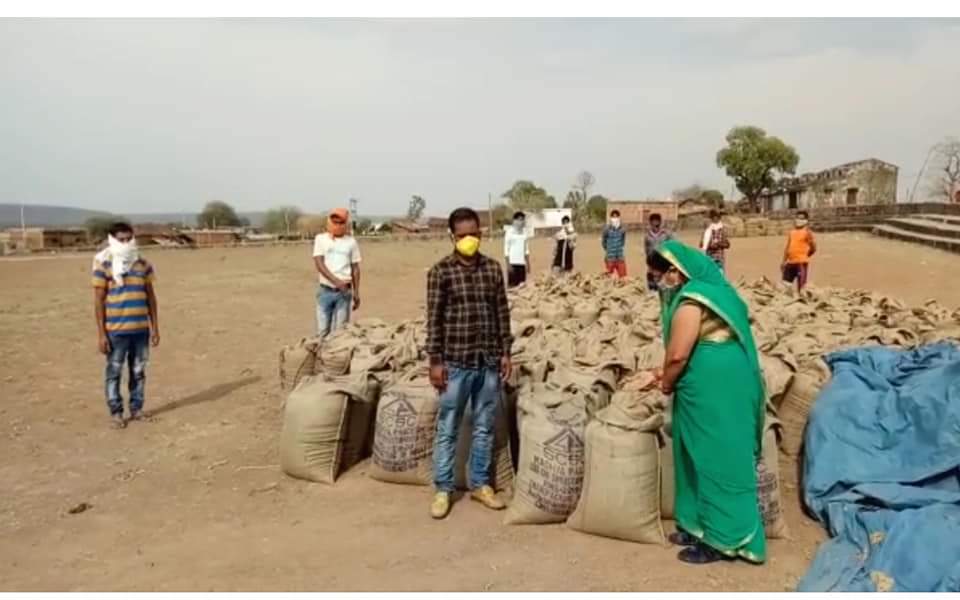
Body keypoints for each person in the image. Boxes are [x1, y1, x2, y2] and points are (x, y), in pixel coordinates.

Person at [646, 239, 766, 565]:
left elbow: (679, 354)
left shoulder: (691, 300)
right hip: (706, 386)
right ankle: (695, 524)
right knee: (692, 452)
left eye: (664, 274)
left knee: (717, 457)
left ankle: (724, 538)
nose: (661, 281)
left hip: (717, 389)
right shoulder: (714, 292)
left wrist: (666, 382)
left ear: (678, 271)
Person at [426, 207, 513, 519]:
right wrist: (435, 361)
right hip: (455, 363)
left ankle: (480, 485)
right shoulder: (441, 272)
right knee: (448, 426)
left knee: (484, 426)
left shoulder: (491, 269)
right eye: (462, 236)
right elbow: (433, 320)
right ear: (452, 236)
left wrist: (506, 352)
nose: (469, 240)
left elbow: (502, 313)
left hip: (487, 360)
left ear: (481, 234)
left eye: (473, 234)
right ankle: (443, 489)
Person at [92, 222, 160, 429]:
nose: (125, 243)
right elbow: (98, 300)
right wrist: (101, 334)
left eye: (128, 239)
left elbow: (151, 297)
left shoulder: (143, 264)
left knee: (138, 372)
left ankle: (137, 409)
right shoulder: (103, 264)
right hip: (116, 331)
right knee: (114, 373)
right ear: (112, 239)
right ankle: (116, 413)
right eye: (120, 239)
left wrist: (155, 328)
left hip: (140, 330)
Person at [312, 208, 361, 337]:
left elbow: (355, 268)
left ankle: (335, 357)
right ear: (329, 222)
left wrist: (356, 293)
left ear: (346, 224)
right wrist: (336, 282)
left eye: (341, 223)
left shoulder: (351, 242)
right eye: (335, 222)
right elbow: (319, 263)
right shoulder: (320, 239)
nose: (337, 226)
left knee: (340, 333)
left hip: (344, 293)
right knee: (322, 331)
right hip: (325, 291)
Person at [781, 211, 817, 292]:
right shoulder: (792, 232)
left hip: (801, 263)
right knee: (785, 286)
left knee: (801, 288)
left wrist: (806, 255)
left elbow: (814, 248)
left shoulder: (807, 233)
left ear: (806, 220)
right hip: (790, 263)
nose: (798, 220)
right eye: (797, 218)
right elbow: (787, 248)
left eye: (801, 218)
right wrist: (783, 261)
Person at [644, 212, 674, 291]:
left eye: (657, 221)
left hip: (663, 261)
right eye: (653, 222)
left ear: (660, 222)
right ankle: (653, 292)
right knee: (652, 280)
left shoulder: (666, 234)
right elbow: (646, 249)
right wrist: (649, 262)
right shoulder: (647, 236)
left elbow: (673, 245)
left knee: (664, 282)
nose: (655, 224)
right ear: (650, 223)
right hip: (652, 261)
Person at [503, 211, 530, 287]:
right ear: (515, 221)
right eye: (519, 220)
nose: (521, 222)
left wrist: (528, 264)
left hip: (522, 264)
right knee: (512, 287)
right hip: (512, 264)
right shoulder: (509, 233)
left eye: (522, 220)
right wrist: (508, 265)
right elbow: (506, 250)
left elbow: (526, 249)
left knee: (522, 287)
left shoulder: (524, 233)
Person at [601, 209, 627, 278]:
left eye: (616, 217)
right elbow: (603, 242)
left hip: (620, 256)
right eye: (613, 217)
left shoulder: (623, 229)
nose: (615, 219)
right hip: (610, 257)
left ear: (619, 218)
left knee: (623, 277)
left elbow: (623, 241)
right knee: (608, 277)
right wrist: (608, 249)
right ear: (611, 218)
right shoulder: (606, 229)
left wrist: (618, 248)